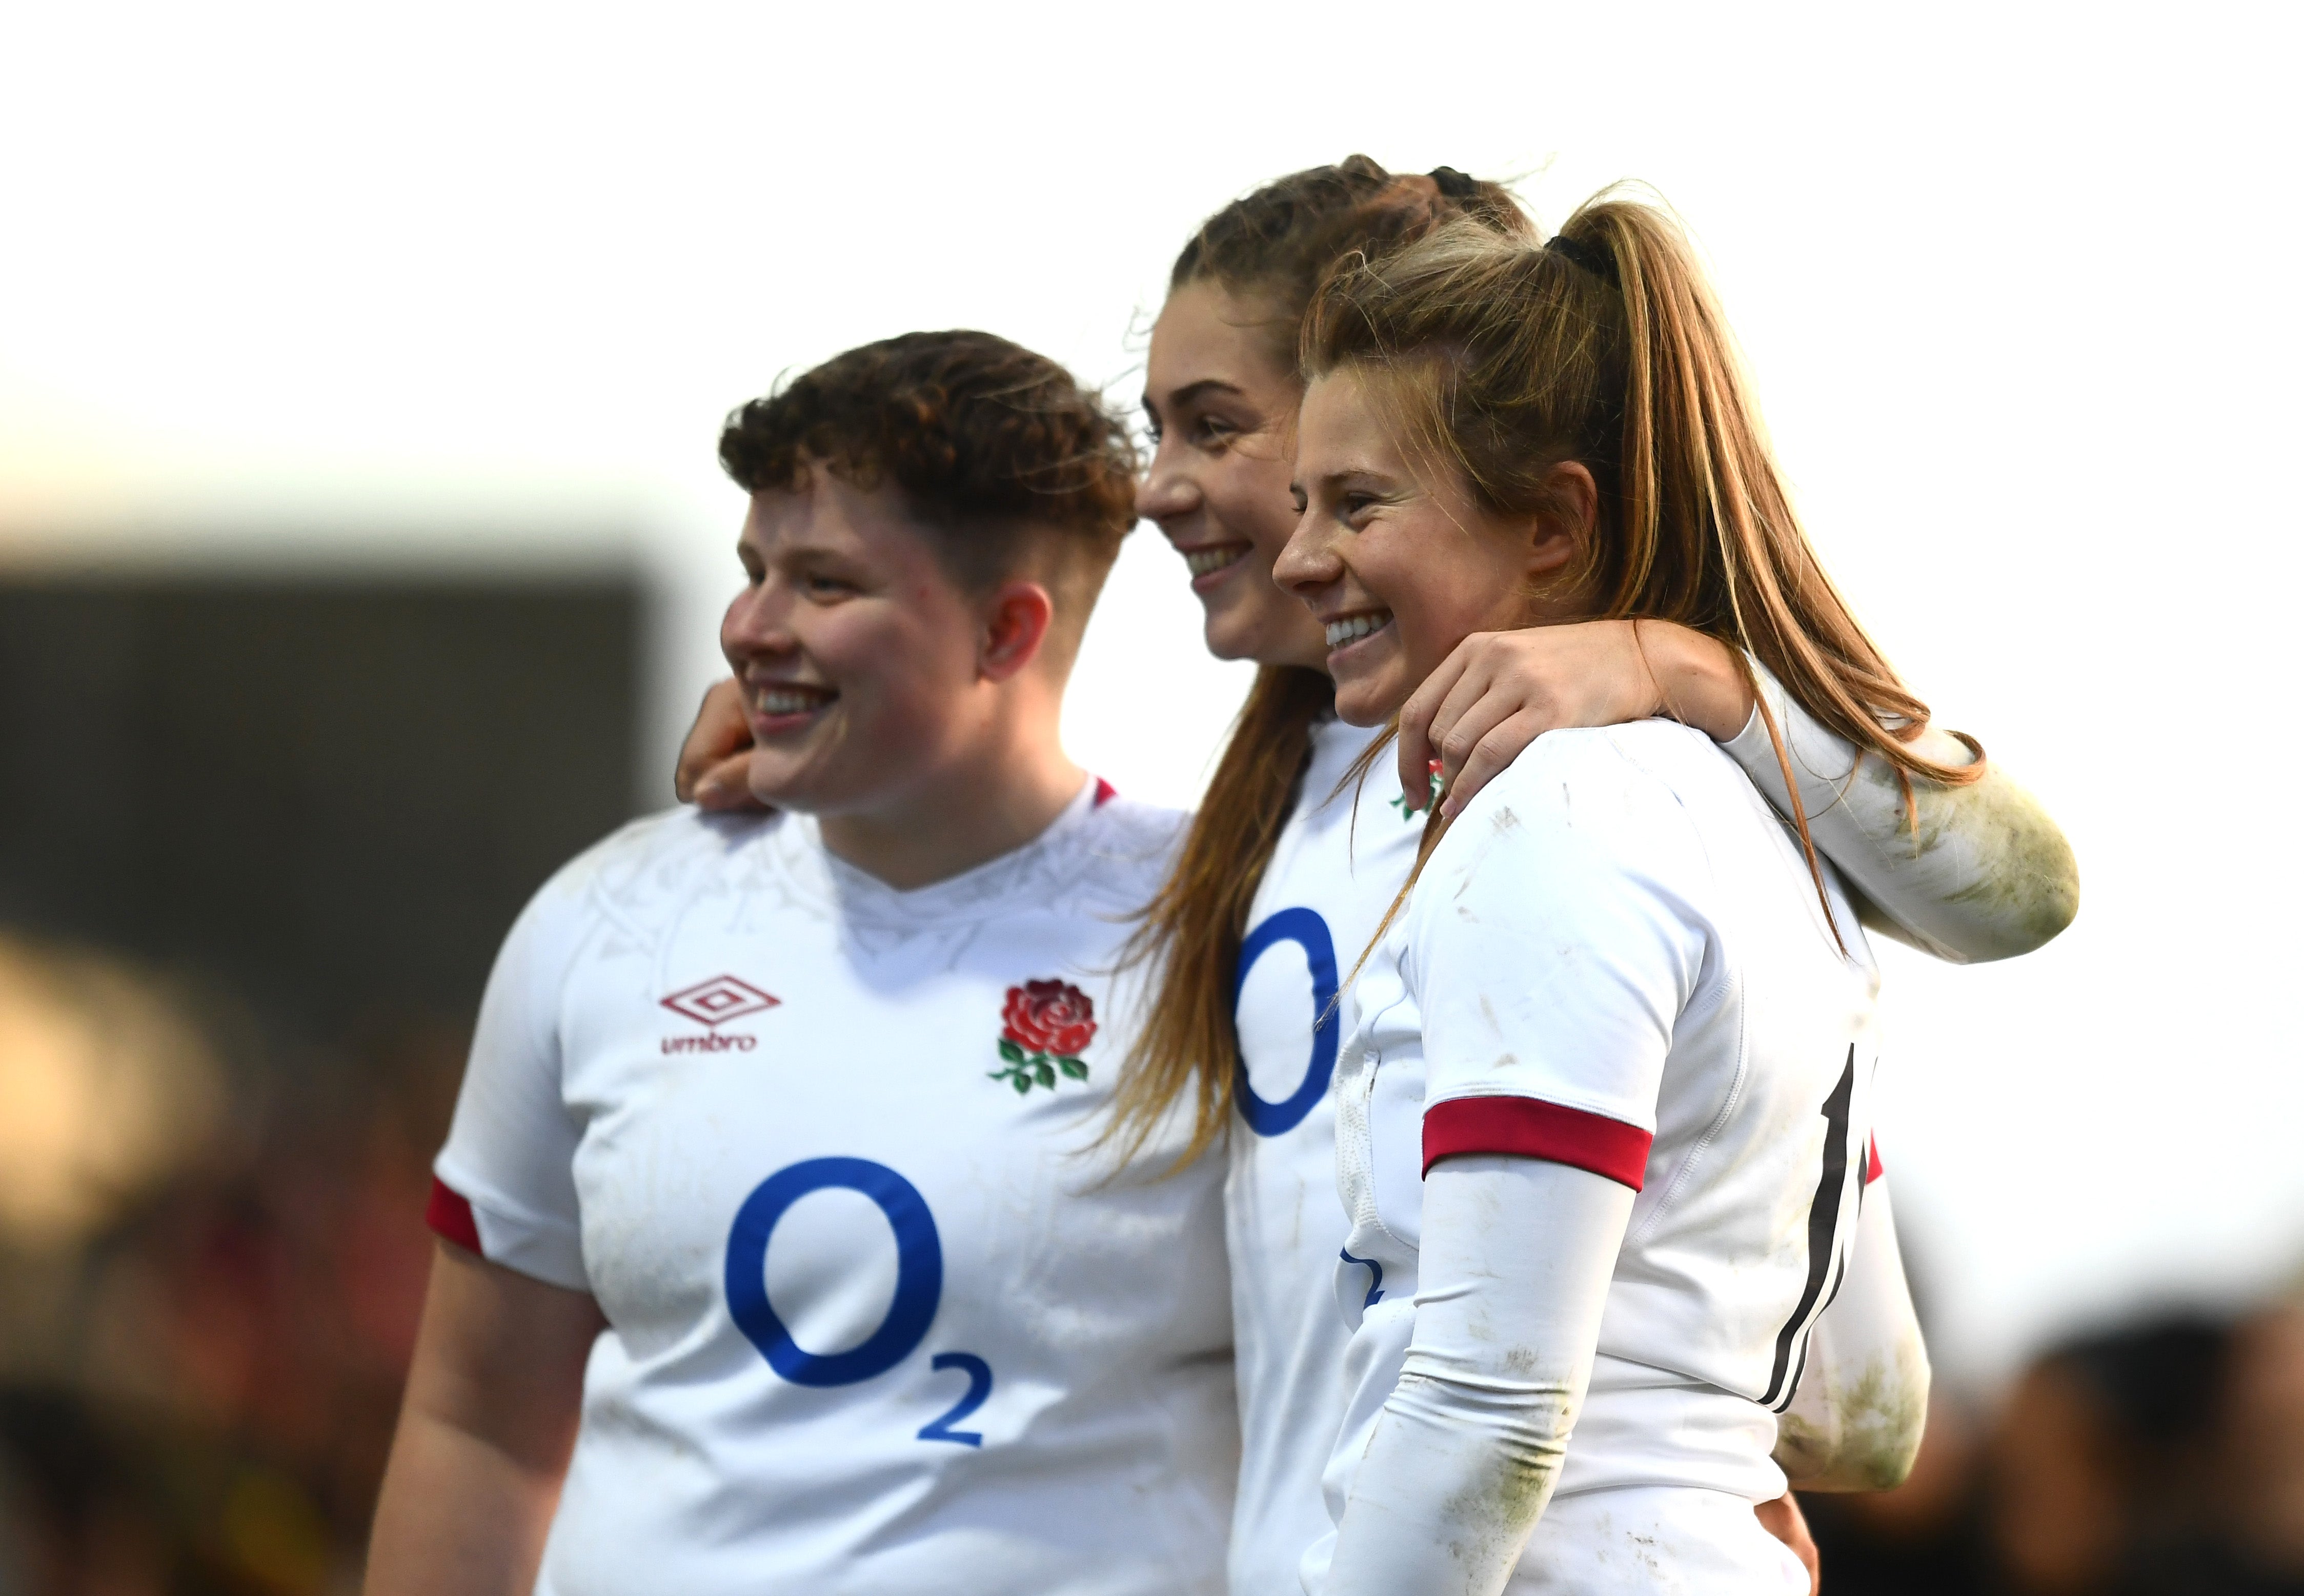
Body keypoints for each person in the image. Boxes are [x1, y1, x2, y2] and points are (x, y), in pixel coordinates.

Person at [680, 159, 2078, 1593]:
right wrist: (831, 737)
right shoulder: (1264, 825)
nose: (1163, 486)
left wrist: (1692, 669)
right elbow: (1853, 1404)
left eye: (1219, 430)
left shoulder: (1571, 798)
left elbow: (2016, 897)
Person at [363, 332, 1238, 1595]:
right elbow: (476, 1425)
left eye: (823, 584)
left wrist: (1642, 659)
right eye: (752, 569)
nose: (748, 628)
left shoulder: (1220, 925)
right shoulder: (607, 921)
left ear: (1007, 632)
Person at [1268, 187, 2028, 1595]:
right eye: (1302, 502)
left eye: (1356, 504)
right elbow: (1864, 1413)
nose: (1298, 555)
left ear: (1553, 524)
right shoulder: (1774, 823)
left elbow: (1486, 1414)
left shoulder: (1554, 818)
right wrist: (1699, 1473)